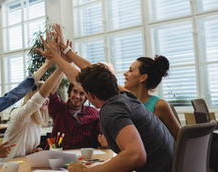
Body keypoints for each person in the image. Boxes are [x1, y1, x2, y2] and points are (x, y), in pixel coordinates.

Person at [36, 31, 175, 172]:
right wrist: (64, 53)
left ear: (90, 95)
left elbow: (136, 156)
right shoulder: (126, 96)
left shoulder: (112, 110)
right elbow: (89, 74)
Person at [44, 24, 102, 149]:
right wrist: (63, 63)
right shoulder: (59, 109)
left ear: (87, 97)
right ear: (69, 93)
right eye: (75, 91)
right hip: (57, 158)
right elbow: (52, 91)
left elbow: (100, 140)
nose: (77, 96)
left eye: (82, 94)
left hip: (84, 160)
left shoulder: (94, 114)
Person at [0, 59, 65, 163]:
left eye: (48, 96)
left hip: (22, 165)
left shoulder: (37, 120)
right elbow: (36, 101)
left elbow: (25, 150)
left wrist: (34, 151)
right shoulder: (19, 114)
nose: (46, 100)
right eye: (44, 96)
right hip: (5, 166)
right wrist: (62, 64)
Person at [123, 55, 181, 140]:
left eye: (131, 70)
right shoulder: (125, 104)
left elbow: (181, 138)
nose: (125, 73)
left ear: (143, 77)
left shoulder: (160, 105)